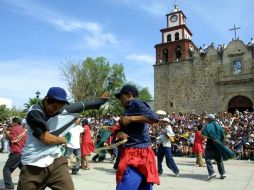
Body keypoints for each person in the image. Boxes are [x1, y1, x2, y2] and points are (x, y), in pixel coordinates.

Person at [17, 87, 109, 190]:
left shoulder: (61, 109)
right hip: (33, 165)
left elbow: (85, 105)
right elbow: (45, 138)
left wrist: (100, 101)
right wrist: (62, 140)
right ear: (47, 101)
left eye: (59, 108)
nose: (56, 111)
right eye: (54, 107)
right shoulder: (35, 111)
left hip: (56, 161)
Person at [114, 84, 160, 190]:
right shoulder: (128, 109)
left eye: (122, 97)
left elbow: (154, 118)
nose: (120, 100)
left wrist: (131, 119)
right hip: (138, 151)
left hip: (137, 153)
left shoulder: (134, 102)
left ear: (129, 95)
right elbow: (122, 130)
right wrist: (121, 134)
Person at [1, 118, 27, 190]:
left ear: (15, 123)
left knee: (6, 169)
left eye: (12, 122)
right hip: (23, 152)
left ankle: (9, 187)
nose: (11, 124)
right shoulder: (24, 130)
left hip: (16, 152)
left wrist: (5, 132)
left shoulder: (14, 128)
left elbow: (12, 139)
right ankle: (27, 184)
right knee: (24, 170)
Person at [202, 114, 228, 181]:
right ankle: (223, 173)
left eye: (207, 119)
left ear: (210, 119)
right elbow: (223, 137)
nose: (206, 120)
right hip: (218, 146)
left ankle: (212, 172)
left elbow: (203, 133)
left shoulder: (208, 126)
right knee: (219, 160)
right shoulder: (219, 127)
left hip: (210, 145)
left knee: (207, 159)